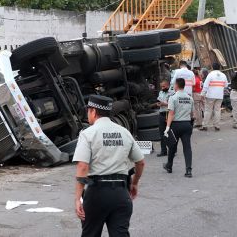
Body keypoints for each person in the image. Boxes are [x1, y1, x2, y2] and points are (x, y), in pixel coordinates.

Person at [73, 95, 145, 237]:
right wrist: (135, 183)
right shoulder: (124, 132)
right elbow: (140, 162)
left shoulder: (87, 134)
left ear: (93, 111)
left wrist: (77, 198)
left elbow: (82, 166)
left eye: (88, 111)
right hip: (121, 194)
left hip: (97, 194)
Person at [163, 78, 194, 177]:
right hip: (187, 124)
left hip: (176, 125)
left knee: (172, 146)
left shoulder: (173, 98)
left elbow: (171, 114)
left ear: (176, 85)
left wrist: (167, 127)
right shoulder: (190, 98)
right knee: (187, 147)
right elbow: (192, 114)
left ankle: (169, 166)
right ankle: (188, 170)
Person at [200, 63, 228, 131]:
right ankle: (217, 126)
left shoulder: (210, 74)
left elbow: (206, 85)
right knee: (217, 110)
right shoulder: (223, 75)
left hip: (210, 95)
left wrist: (202, 94)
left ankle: (205, 126)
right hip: (219, 96)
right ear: (219, 67)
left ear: (212, 67)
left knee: (208, 110)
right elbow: (226, 85)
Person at [156, 80, 170, 156]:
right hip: (161, 114)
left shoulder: (172, 93)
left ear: (168, 86)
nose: (162, 88)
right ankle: (163, 151)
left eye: (164, 86)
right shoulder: (160, 93)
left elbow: (171, 103)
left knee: (169, 133)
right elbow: (159, 100)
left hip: (168, 114)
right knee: (161, 133)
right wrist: (159, 103)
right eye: (161, 86)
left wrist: (164, 104)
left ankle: (172, 150)